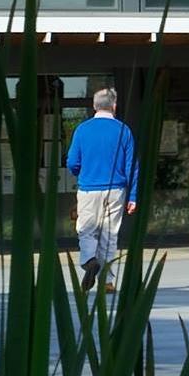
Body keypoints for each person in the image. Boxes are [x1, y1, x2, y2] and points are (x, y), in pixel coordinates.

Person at [66, 88, 137, 294]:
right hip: (116, 189)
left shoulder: (82, 129)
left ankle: (89, 261)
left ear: (94, 106)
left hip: (88, 188)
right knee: (109, 234)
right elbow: (132, 165)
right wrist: (132, 196)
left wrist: (81, 171)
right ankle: (107, 280)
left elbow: (72, 162)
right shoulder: (124, 130)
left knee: (86, 230)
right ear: (114, 106)